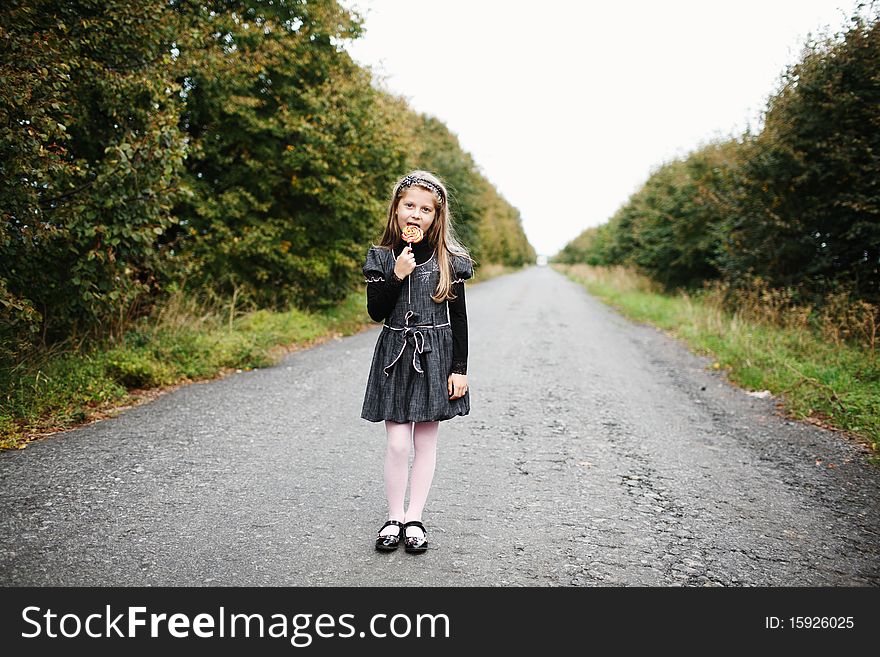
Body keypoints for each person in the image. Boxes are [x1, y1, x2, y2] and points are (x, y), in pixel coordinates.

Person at [361, 170, 475, 554]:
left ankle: (414, 518)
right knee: (397, 443)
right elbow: (376, 312)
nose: (416, 214)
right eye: (409, 205)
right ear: (396, 210)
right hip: (396, 353)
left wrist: (460, 368)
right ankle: (392, 518)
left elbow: (459, 319)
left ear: (435, 217)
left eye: (425, 209)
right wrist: (396, 274)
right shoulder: (381, 258)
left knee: (425, 441)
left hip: (436, 353)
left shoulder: (450, 261)